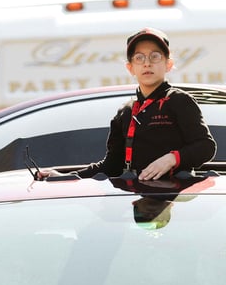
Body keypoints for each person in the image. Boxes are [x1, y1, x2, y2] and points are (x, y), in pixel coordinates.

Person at [37, 28, 216, 181]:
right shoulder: (125, 112)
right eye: (139, 58)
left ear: (168, 64)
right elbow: (111, 165)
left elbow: (206, 147)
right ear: (130, 68)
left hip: (176, 199)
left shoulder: (179, 100)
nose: (147, 63)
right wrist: (64, 177)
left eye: (155, 56)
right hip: (133, 199)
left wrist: (172, 159)